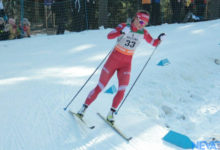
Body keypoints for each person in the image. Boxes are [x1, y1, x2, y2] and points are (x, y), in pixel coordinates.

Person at [77, 10, 165, 124]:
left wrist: (160, 39)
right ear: (136, 18)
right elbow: (109, 36)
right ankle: (83, 109)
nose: (141, 25)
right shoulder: (123, 26)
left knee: (122, 89)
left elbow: (153, 42)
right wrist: (122, 32)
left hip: (126, 65)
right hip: (112, 61)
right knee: (100, 86)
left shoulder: (143, 32)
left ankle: (111, 114)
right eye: (141, 22)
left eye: (145, 24)